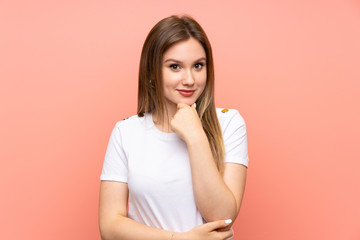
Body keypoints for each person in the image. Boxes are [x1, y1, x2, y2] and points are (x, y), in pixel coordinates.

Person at [99, 15, 249, 240]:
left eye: (198, 65)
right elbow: (110, 226)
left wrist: (196, 136)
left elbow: (222, 216)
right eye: (175, 67)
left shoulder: (229, 123)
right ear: (152, 73)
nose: (189, 79)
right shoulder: (126, 132)